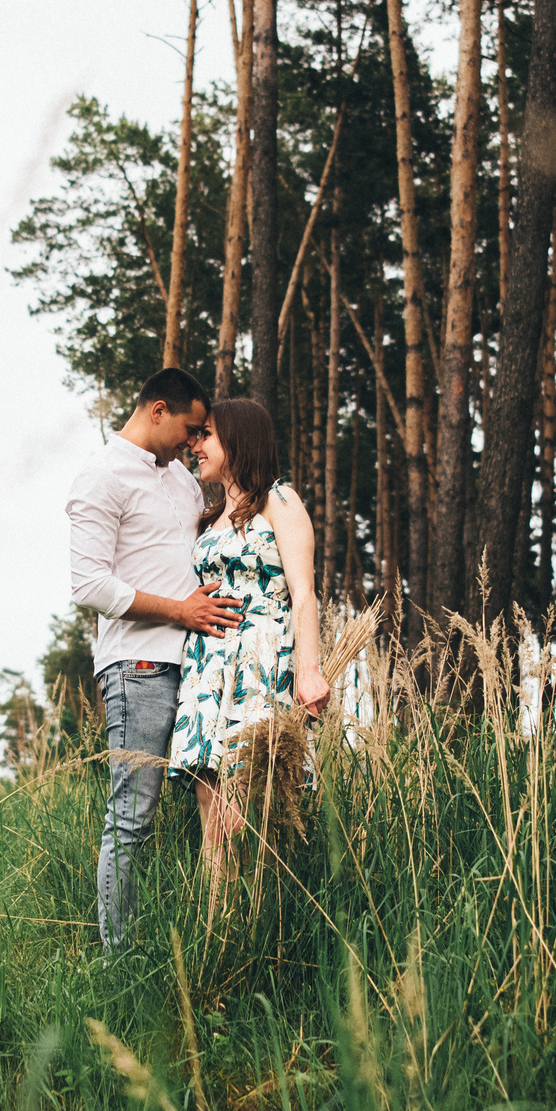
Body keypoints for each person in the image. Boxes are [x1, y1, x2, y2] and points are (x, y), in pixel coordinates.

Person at [65, 366, 243, 951]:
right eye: (191, 430)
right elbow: (89, 585)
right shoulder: (101, 475)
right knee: (133, 817)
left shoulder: (183, 482)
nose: (195, 443)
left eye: (202, 435)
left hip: (198, 668)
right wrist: (178, 612)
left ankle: (217, 937)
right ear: (157, 410)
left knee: (217, 812)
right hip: (138, 667)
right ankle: (119, 958)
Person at [167, 397, 330, 883]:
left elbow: (304, 592)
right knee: (211, 810)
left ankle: (254, 918)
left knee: (245, 806)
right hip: (207, 669)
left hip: (259, 664)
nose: (195, 445)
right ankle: (214, 927)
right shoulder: (210, 517)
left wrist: (309, 669)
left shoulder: (280, 501)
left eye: (207, 435)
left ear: (238, 440)